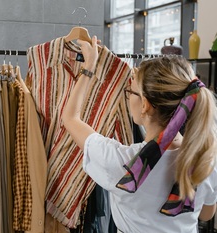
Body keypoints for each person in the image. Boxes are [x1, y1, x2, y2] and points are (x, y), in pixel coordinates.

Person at [61, 35, 217, 233]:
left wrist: (88, 67)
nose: (128, 96)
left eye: (131, 91)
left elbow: (70, 118)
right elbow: (206, 214)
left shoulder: (123, 163)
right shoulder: (207, 158)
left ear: (145, 105)